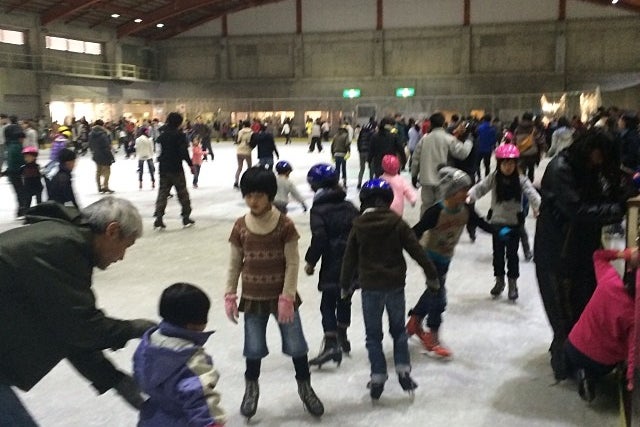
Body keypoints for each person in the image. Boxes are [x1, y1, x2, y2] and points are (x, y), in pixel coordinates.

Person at [0, 197, 156, 426]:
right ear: (112, 231)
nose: (122, 257)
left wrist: (112, 378)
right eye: (126, 246)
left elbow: (66, 330)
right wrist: (135, 328)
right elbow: (83, 327)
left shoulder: (62, 240)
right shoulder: (61, 247)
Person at [224, 167, 324, 420]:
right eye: (248, 195)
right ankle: (251, 389)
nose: (253, 201)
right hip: (253, 298)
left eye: (258, 195)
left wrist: (288, 296)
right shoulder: (240, 226)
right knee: (253, 348)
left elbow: (292, 262)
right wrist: (230, 294)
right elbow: (235, 263)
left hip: (282, 298)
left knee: (296, 345)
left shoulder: (284, 224)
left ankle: (305, 387)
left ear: (270, 195)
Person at [534, 128, 626, 381]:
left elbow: (599, 195)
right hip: (558, 254)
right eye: (601, 155)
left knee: (583, 307)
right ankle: (564, 365)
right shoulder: (560, 169)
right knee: (563, 312)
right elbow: (578, 210)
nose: (602, 161)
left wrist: (619, 193)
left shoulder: (588, 167)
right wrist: (617, 208)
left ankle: (579, 361)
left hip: (582, 249)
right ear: (590, 149)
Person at [340, 179, 440, 400]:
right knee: (398, 332)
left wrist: (345, 285)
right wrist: (431, 275)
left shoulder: (358, 225)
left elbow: (349, 258)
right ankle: (403, 369)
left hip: (370, 288)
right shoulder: (397, 223)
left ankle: (378, 375)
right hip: (394, 286)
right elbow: (416, 250)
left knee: (373, 336)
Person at [407, 167, 491, 358]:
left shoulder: (466, 209)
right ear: (452, 191)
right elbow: (416, 231)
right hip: (430, 257)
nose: (467, 193)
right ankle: (433, 336)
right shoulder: (436, 211)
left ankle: (415, 320)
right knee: (439, 296)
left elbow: (480, 223)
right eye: (463, 189)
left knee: (433, 290)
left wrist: (500, 232)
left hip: (445, 257)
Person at [134, 283, 227, 427]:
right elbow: (199, 396)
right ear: (195, 324)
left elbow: (139, 374)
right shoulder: (191, 360)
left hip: (152, 418)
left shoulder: (147, 345)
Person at [467, 144, 540, 301]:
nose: (508, 167)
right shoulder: (494, 177)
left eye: (511, 163)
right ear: (499, 164)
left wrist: (539, 206)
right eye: (505, 163)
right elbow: (481, 188)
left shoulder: (521, 180)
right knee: (498, 255)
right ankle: (499, 281)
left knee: (512, 255)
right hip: (497, 223)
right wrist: (469, 196)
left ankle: (513, 284)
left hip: (514, 223)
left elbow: (532, 193)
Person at [563, 248, 636, 403]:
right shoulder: (634, 316)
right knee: (606, 364)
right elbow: (633, 351)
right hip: (601, 362)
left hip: (574, 346)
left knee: (569, 360)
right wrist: (629, 378)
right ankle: (588, 375)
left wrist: (625, 254)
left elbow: (598, 255)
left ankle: (579, 371)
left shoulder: (609, 280)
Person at [304, 163, 359, 367]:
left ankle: (331, 344)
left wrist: (310, 261)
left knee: (327, 303)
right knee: (345, 299)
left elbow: (319, 238)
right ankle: (342, 336)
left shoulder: (319, 209)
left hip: (333, 262)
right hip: (352, 262)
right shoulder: (349, 206)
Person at [411, 112, 472, 215]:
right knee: (441, 207)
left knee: (426, 206)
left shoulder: (424, 139)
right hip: (444, 180)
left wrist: (414, 175)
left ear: (430, 124)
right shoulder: (448, 138)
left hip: (426, 180)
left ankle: (425, 227)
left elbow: (415, 158)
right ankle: (438, 228)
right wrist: (468, 141)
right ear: (444, 124)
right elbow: (462, 154)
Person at [153, 112, 195, 229]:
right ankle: (186, 217)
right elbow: (183, 152)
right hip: (176, 168)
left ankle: (159, 217)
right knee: (182, 193)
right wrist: (190, 165)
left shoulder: (162, 134)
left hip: (163, 168)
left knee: (162, 193)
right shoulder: (179, 135)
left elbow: (158, 151)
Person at [4, 115, 27, 217]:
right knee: (22, 192)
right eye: (21, 137)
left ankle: (20, 209)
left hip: (13, 173)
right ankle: (23, 209)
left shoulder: (10, 146)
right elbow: (20, 161)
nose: (23, 139)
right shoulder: (16, 147)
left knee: (19, 192)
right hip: (17, 174)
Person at [88, 119, 116, 194]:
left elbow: (90, 144)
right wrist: (111, 154)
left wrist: (94, 151)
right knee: (107, 170)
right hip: (104, 154)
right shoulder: (104, 133)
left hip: (96, 154)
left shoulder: (91, 134)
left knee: (98, 171)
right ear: (102, 125)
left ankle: (99, 187)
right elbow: (107, 145)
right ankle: (105, 186)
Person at [357, 116, 376, 189]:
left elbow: (358, 142)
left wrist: (359, 150)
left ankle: (359, 183)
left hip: (361, 152)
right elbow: (372, 144)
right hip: (368, 152)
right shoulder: (372, 133)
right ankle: (371, 182)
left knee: (362, 169)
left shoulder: (362, 133)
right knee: (371, 168)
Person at [234, 120, 253, 189]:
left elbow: (238, 140)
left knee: (239, 167)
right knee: (249, 167)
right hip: (247, 151)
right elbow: (251, 141)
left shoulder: (240, 132)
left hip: (239, 150)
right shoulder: (251, 132)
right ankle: (249, 182)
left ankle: (236, 182)